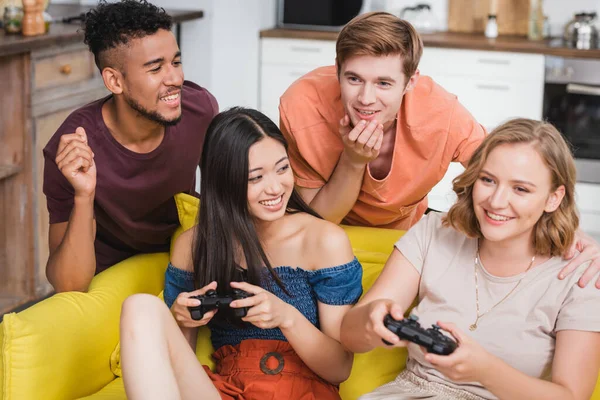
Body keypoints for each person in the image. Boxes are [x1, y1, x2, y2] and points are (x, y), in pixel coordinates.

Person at [340, 118, 600, 400]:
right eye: (488, 180)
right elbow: (349, 335)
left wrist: (485, 371)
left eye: (520, 189)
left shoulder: (580, 274)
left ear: (554, 198)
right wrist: (371, 320)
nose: (497, 201)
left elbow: (572, 396)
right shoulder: (435, 232)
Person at [119, 107, 362, 400]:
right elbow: (177, 364)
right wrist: (183, 319)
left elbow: (340, 368)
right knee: (139, 307)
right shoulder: (193, 246)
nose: (275, 187)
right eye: (255, 178)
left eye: (283, 168)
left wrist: (287, 317)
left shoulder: (324, 241)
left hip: (299, 391)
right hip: (225, 390)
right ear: (224, 182)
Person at [42, 0, 218, 292]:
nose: (175, 79)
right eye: (155, 68)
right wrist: (84, 195)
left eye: (175, 62)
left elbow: (224, 199)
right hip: (106, 276)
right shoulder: (73, 148)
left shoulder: (200, 110)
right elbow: (69, 284)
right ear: (114, 81)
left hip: (182, 260)